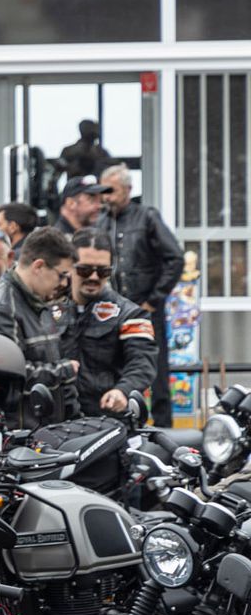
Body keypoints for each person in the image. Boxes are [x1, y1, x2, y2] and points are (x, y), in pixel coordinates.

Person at [97, 164, 182, 428]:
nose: (106, 196)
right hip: (113, 313)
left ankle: (165, 432)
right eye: (103, 191)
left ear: (128, 189)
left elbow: (175, 258)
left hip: (145, 309)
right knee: (116, 372)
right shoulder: (102, 222)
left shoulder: (146, 217)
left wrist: (154, 300)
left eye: (111, 190)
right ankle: (122, 428)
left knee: (156, 372)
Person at [0, 226, 78, 425]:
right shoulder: (0, 308)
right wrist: (64, 371)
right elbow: (5, 377)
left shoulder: (39, 301)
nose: (64, 283)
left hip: (45, 434)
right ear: (38, 266)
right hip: (16, 442)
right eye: (61, 275)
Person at [65, 229, 157, 418]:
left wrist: (123, 390)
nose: (93, 277)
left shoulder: (131, 313)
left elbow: (142, 363)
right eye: (85, 270)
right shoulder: (46, 308)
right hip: (53, 419)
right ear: (69, 266)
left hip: (105, 421)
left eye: (102, 271)